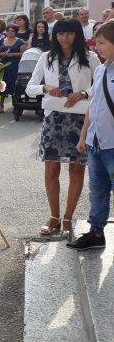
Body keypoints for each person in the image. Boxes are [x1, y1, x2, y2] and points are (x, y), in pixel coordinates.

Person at [26, 18, 98, 237]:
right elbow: (29, 88)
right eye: (59, 34)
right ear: (54, 36)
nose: (64, 38)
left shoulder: (90, 57)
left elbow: (103, 85)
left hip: (80, 121)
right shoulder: (46, 58)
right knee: (51, 169)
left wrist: (84, 93)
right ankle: (54, 217)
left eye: (69, 33)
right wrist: (45, 87)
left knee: (76, 169)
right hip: (54, 120)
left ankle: (68, 218)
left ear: (77, 35)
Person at [69, 20, 114, 250]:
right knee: (97, 190)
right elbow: (94, 105)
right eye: (96, 42)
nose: (97, 47)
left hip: (113, 145)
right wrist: (83, 135)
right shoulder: (103, 69)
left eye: (102, 42)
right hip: (96, 142)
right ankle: (96, 233)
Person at [0, 24, 25, 113]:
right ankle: (1, 103)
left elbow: (23, 53)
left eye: (12, 31)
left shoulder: (20, 41)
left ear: (16, 32)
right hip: (3, 66)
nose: (10, 32)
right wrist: (1, 54)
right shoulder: (1, 41)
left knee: (14, 84)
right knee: (2, 84)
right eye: (8, 31)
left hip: (14, 65)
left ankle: (15, 103)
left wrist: (12, 54)